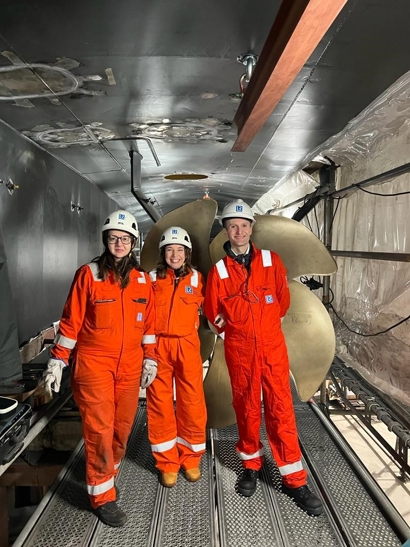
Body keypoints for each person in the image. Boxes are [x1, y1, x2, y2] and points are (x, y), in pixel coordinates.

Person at [204, 199, 323, 516]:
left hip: (272, 349)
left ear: (251, 229)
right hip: (240, 351)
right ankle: (251, 466)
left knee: (281, 409)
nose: (239, 230)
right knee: (245, 409)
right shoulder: (218, 271)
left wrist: (265, 327)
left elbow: (282, 302)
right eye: (233, 226)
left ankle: (294, 480)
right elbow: (213, 314)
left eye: (243, 225)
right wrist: (234, 335)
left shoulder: (272, 261)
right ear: (226, 230)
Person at [43, 210, 157, 528]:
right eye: (113, 238)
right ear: (105, 241)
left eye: (124, 239)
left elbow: (148, 324)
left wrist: (150, 356)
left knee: (122, 429)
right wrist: (58, 360)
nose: (118, 243)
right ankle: (102, 497)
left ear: (133, 243)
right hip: (94, 363)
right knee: (100, 431)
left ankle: (106, 473)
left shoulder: (142, 280)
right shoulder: (89, 275)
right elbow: (71, 323)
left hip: (130, 365)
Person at [146, 226, 207, 488]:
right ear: (163, 253)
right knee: (159, 404)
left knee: (192, 402)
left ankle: (191, 458)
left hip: (187, 346)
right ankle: (167, 462)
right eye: (170, 250)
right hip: (158, 346)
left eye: (179, 250)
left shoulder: (197, 278)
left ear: (187, 253)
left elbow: (212, 307)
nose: (174, 254)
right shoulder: (149, 279)